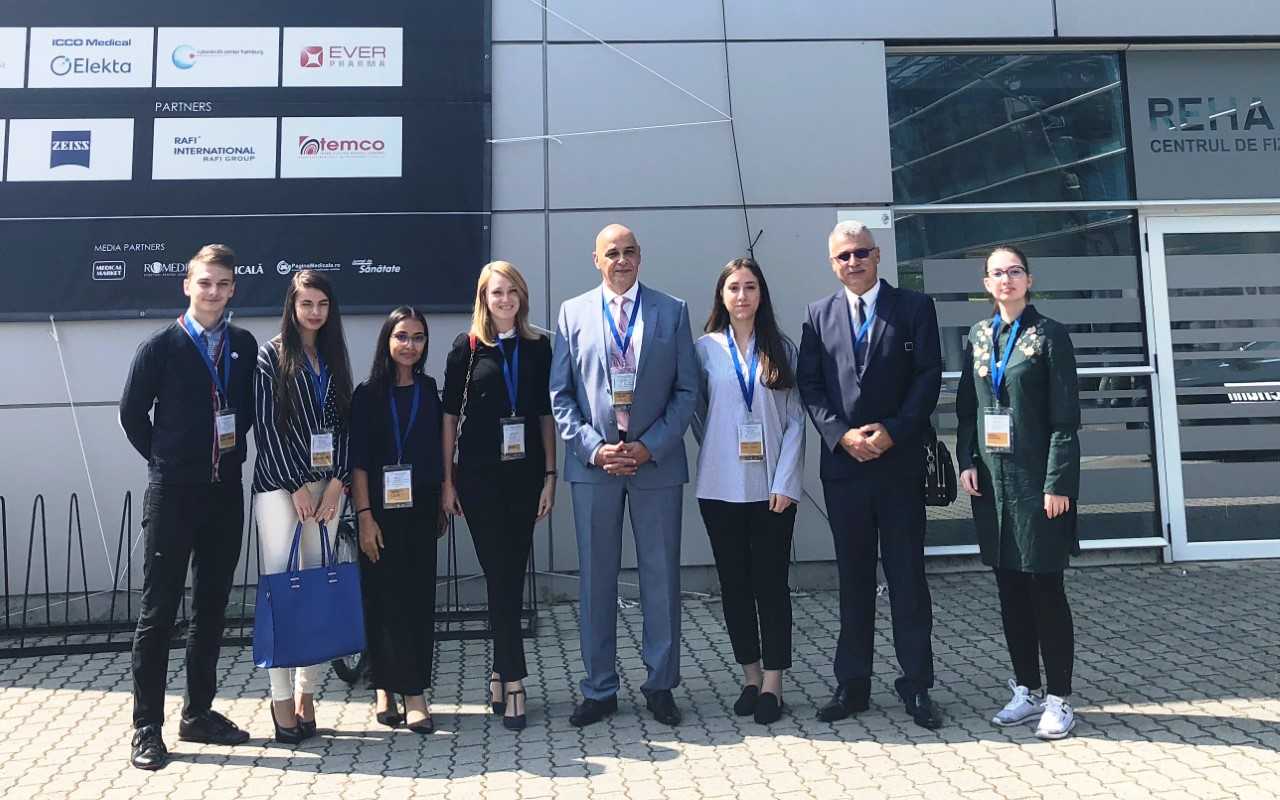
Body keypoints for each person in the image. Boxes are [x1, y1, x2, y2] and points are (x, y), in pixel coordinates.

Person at [797, 220, 944, 729]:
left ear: (877, 255)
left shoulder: (914, 307)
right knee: (853, 580)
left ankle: (917, 685)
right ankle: (852, 684)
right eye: (843, 256)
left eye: (861, 253)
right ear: (832, 263)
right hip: (845, 470)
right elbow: (811, 386)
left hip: (898, 466)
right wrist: (841, 435)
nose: (853, 262)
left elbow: (929, 375)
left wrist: (895, 431)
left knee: (908, 579)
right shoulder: (818, 315)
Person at [549, 223, 698, 728]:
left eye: (629, 251)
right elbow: (560, 395)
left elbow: (687, 391)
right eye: (611, 252)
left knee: (661, 578)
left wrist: (649, 445)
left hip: (655, 463)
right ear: (596, 260)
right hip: (596, 467)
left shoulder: (672, 311)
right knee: (596, 579)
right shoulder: (572, 313)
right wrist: (595, 450)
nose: (621, 260)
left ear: (641, 256)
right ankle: (599, 688)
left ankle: (661, 685)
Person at [120, 244, 257, 770]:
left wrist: (221, 455)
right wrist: (169, 459)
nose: (213, 292)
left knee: (212, 608)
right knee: (158, 613)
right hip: (173, 495)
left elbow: (244, 412)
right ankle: (146, 727)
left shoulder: (242, 345)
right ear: (187, 285)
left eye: (223, 283)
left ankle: (197, 712)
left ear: (233, 289)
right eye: (205, 282)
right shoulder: (160, 346)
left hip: (224, 495)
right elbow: (132, 415)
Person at [956, 245, 1082, 740]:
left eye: (1014, 271)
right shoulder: (978, 337)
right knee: (1009, 589)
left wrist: (1058, 483)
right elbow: (968, 408)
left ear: (1029, 280)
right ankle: (1026, 689)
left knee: (1044, 589)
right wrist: (967, 460)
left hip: (1037, 485)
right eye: (997, 273)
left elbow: (1066, 418)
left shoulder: (1050, 335)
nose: (1006, 279)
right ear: (986, 284)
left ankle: (1060, 699)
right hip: (993, 485)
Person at [441, 261, 556, 731]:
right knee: (499, 574)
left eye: (512, 291)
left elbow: (546, 414)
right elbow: (449, 417)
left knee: (509, 576)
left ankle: (498, 671)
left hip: (525, 478)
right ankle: (515, 682)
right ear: (483, 300)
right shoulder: (466, 348)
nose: (505, 300)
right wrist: (447, 480)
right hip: (478, 479)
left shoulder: (539, 347)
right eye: (496, 293)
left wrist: (550, 476)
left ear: (521, 297)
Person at [692, 257, 805, 725]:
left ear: (762, 294)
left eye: (750, 287)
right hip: (719, 488)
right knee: (734, 586)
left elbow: (796, 419)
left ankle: (774, 684)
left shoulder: (782, 348)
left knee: (771, 586)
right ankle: (750, 677)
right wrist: (719, 450)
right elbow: (697, 412)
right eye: (734, 288)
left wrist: (786, 480)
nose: (742, 296)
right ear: (721, 296)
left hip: (771, 489)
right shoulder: (704, 350)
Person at [252, 269, 354, 743]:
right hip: (280, 490)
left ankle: (307, 694)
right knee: (283, 590)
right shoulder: (270, 356)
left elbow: (347, 425)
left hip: (327, 490)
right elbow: (267, 428)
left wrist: (337, 483)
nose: (314, 312)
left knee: (316, 588)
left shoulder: (333, 356)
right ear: (292, 307)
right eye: (306, 303)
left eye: (322, 304)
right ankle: (279, 701)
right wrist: (296, 485)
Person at [349, 306, 444, 735]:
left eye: (418, 337)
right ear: (387, 340)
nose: (410, 345)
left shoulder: (429, 389)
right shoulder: (367, 394)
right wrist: (365, 517)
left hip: (420, 509)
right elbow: (359, 464)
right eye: (401, 336)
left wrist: (441, 500)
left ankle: (410, 690)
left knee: (417, 600)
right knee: (382, 599)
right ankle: (389, 689)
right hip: (380, 512)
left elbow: (437, 450)